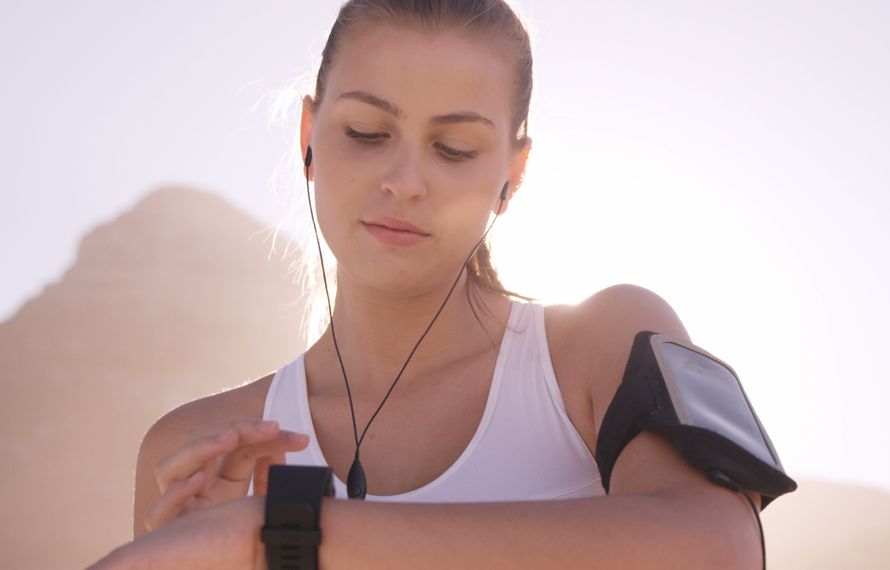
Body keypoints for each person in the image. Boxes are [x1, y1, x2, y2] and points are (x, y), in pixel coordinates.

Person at [91, 1, 763, 568]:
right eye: (366, 131)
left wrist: (278, 532)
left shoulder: (597, 345)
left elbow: (722, 547)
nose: (405, 182)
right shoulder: (196, 446)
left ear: (513, 172)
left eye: (455, 148)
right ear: (308, 135)